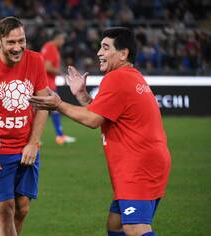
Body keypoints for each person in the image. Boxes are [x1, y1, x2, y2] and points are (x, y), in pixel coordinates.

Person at [30, 27, 171, 236]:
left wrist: (58, 104)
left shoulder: (116, 78)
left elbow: (93, 120)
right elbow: (105, 112)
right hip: (148, 162)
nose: (98, 53)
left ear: (123, 54)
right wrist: (82, 96)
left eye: (105, 48)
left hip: (138, 167)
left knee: (134, 228)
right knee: (115, 226)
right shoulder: (130, 76)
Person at [0, 16, 49, 236]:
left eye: (21, 41)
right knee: (5, 210)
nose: (18, 48)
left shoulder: (35, 61)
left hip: (27, 148)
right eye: (11, 42)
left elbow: (43, 105)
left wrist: (33, 143)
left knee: (22, 208)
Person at [40, 29, 76, 145]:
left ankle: (60, 135)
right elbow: (47, 67)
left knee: (50, 110)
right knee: (45, 110)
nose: (63, 42)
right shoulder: (51, 48)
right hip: (47, 84)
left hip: (46, 83)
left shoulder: (48, 47)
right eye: (62, 39)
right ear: (58, 38)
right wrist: (61, 73)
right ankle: (58, 136)